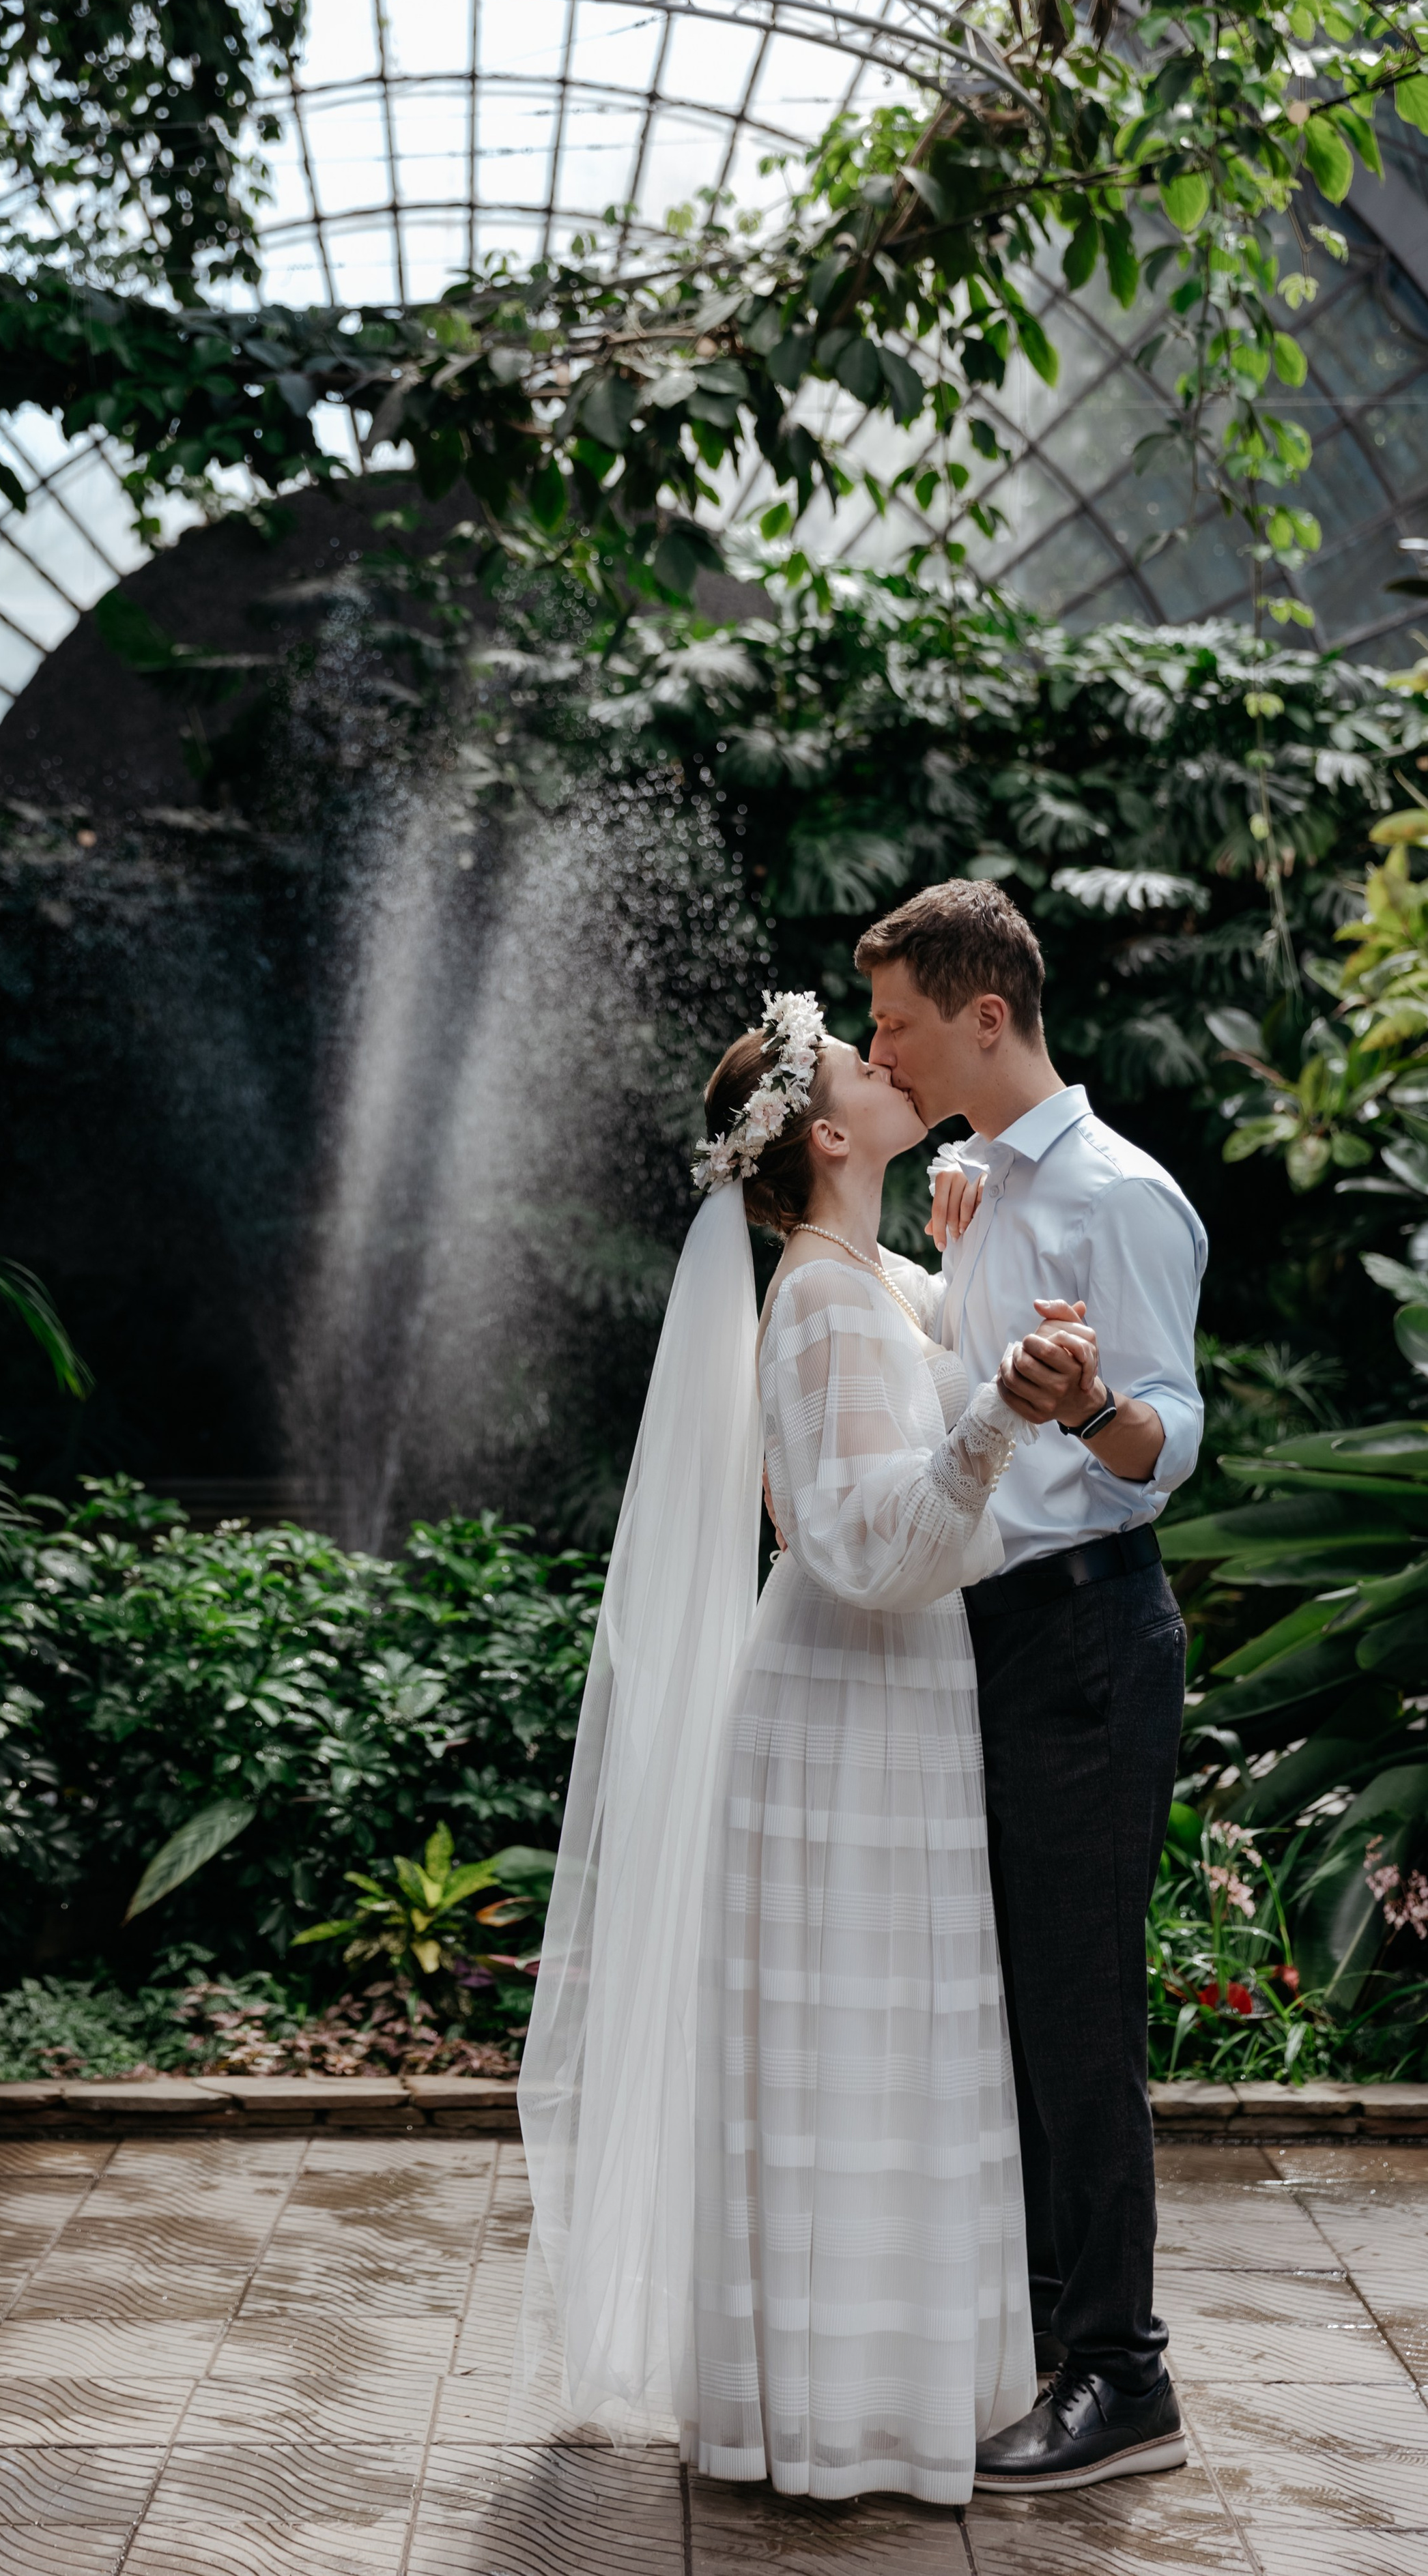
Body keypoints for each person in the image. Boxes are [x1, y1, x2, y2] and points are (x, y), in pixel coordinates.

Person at [518, 989, 1103, 2505]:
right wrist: (985, 1421)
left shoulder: (858, 1274)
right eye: (862, 1056)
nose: (888, 1055)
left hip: (879, 1705)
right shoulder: (824, 1295)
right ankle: (845, 2415)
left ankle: (855, 2393)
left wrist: (968, 1264)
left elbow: (931, 1351)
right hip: (848, 1704)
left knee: (887, 2047)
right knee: (862, 2052)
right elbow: (860, 1544)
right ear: (831, 1132)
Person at [861, 878, 1208, 2493]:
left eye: (897, 1024)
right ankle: (1044, 2339)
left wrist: (1085, 1413)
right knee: (1008, 2010)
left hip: (1083, 1636)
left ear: (982, 1016)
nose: (881, 1049)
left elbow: (1162, 1447)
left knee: (1076, 2014)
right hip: (987, 1640)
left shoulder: (1121, 1194)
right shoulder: (974, 1187)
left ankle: (1121, 2380)